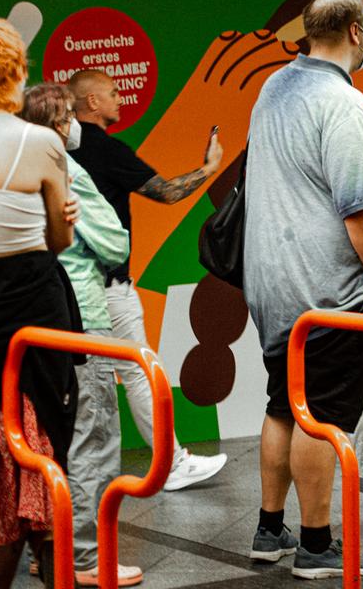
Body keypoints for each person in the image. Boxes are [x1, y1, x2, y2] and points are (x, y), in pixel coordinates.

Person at [243, 0, 363, 578]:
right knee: (323, 417)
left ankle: (268, 529)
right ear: (356, 32)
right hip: (329, 291)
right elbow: (361, 211)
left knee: (284, 405)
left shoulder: (273, 88)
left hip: (274, 286)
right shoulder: (344, 102)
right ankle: (314, 543)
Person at [66, 68, 229, 491]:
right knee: (139, 371)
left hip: (73, 287)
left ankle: (89, 477)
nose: (121, 99)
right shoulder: (105, 149)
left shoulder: (58, 153)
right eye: (113, 93)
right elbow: (168, 191)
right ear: (92, 104)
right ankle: (170, 463)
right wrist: (209, 167)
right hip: (110, 289)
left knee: (94, 383)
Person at [0, 19, 78, 589]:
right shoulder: (42, 142)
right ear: (16, 72)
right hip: (34, 311)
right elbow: (59, 241)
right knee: (44, 451)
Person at [20, 85, 138, 588]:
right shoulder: (70, 171)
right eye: (68, 116)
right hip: (84, 315)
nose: (75, 126)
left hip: (34, 321)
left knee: (48, 441)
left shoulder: (15, 172)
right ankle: (85, 558)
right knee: (94, 437)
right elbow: (114, 242)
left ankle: (46, 550)